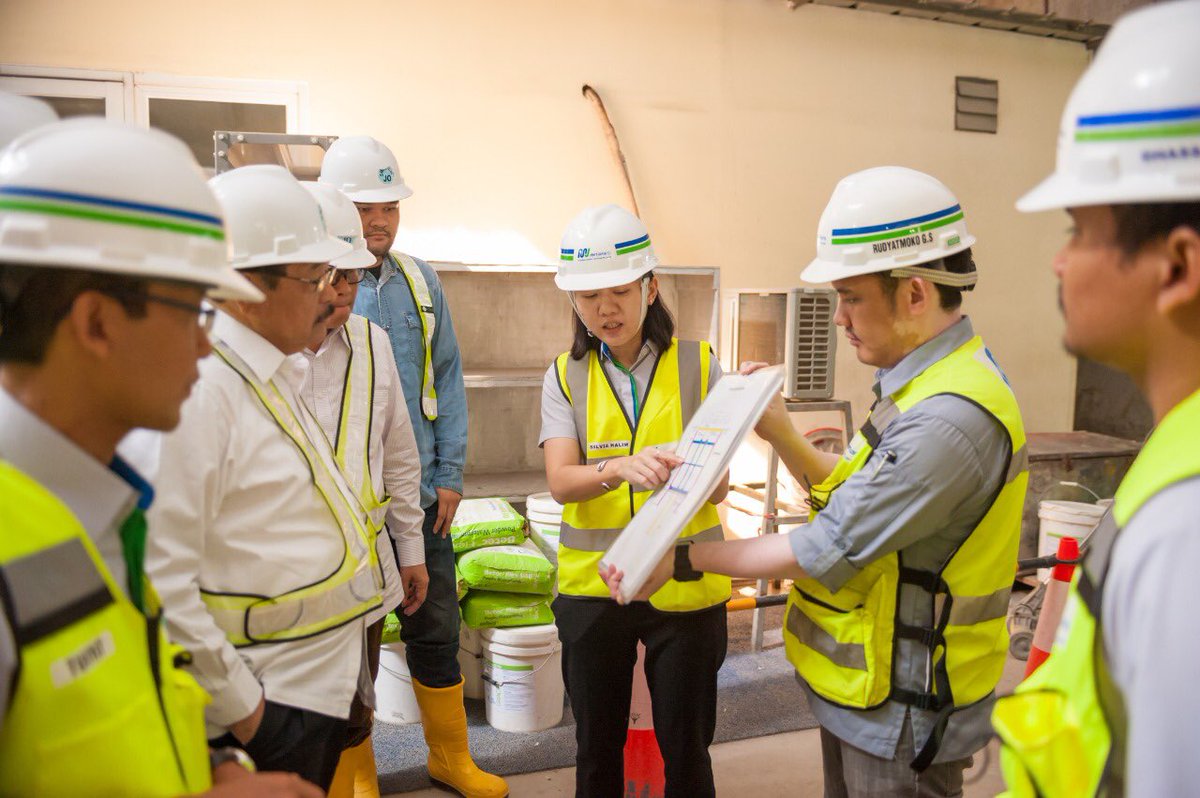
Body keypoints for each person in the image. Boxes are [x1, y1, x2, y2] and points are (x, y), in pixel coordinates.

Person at [606, 168, 1029, 797]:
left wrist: (683, 558)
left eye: (852, 296)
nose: (838, 318)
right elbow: (850, 491)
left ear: (914, 292)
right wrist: (777, 429)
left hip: (904, 702)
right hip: (870, 692)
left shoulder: (948, 421)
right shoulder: (920, 389)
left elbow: (823, 546)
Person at [0, 118, 319, 797]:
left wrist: (213, 773)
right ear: (97, 323)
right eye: (193, 311)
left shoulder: (100, 511)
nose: (207, 345)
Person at [991, 3, 1200, 795]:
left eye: (1079, 226)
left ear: (1177, 266)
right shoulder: (1175, 471)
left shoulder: (1184, 530)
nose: (1058, 261)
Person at [134, 163, 382, 791]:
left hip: (309, 689)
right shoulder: (203, 393)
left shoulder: (270, 370)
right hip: (267, 705)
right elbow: (161, 579)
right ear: (244, 287)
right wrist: (249, 715)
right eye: (313, 277)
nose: (330, 293)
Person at [319, 137, 504, 798]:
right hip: (346, 507)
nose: (379, 220)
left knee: (436, 624)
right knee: (353, 645)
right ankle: (356, 772)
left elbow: (447, 378)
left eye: (388, 206)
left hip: (423, 494)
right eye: (365, 207)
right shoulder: (321, 287)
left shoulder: (420, 281)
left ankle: (449, 757)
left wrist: (449, 473)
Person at [542, 204, 731, 798]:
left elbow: (721, 485)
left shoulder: (700, 365)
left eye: (620, 290)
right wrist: (618, 468)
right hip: (592, 589)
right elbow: (560, 481)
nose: (605, 309)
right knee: (596, 749)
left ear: (650, 287)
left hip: (685, 583)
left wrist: (686, 471)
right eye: (589, 296)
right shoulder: (563, 375)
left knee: (686, 748)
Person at [297, 181, 428, 798]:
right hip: (287, 593)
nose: (346, 290)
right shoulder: (262, 359)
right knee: (285, 736)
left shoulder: (372, 346)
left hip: (363, 583)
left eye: (352, 276)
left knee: (353, 721)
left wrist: (411, 550)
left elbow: (400, 457)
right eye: (333, 277)